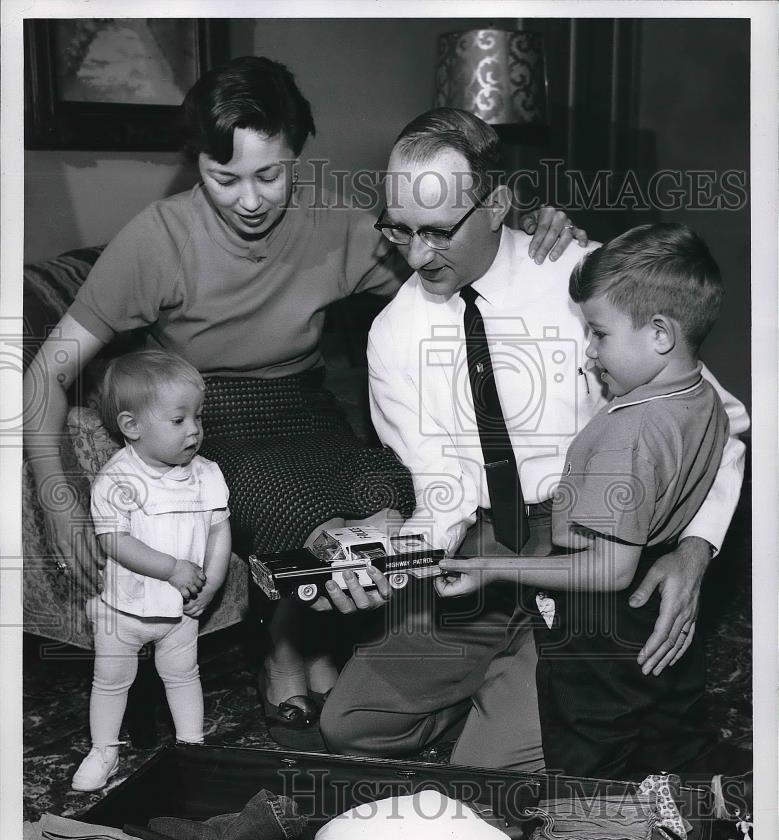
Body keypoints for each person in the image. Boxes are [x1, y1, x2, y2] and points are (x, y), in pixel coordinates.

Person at [22, 57, 583, 742]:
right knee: (279, 494)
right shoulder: (155, 241)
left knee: (384, 478)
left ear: (298, 157)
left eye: (271, 174)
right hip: (209, 411)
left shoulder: (335, 224)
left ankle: (334, 629)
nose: (250, 200)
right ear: (194, 162)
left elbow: (449, 259)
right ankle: (289, 641)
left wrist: (535, 234)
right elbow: (44, 374)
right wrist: (58, 503)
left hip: (307, 403)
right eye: (223, 177)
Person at [319, 109, 749, 773]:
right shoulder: (391, 335)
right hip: (481, 551)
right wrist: (383, 557)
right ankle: (509, 678)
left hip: (585, 545)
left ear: (495, 204)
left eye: (436, 232)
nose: (414, 254)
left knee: (490, 773)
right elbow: (443, 497)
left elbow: (718, 419)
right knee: (350, 726)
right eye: (397, 229)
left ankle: (527, 697)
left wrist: (694, 553)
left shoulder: (585, 282)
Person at [436, 222, 750, 782]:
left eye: (599, 334)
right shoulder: (701, 394)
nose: (589, 351)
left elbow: (608, 568)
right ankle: (716, 795)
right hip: (654, 598)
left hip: (601, 622)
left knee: (585, 743)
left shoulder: (628, 432)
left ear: (659, 333)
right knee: (665, 722)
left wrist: (488, 567)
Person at [72, 351, 231, 791]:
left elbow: (219, 531)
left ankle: (192, 747)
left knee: (182, 675)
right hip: (124, 609)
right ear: (132, 427)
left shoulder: (207, 474)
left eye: (198, 417)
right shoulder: (118, 479)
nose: (194, 429)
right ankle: (104, 748)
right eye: (178, 420)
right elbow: (115, 541)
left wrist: (212, 582)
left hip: (181, 610)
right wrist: (172, 568)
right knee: (110, 680)